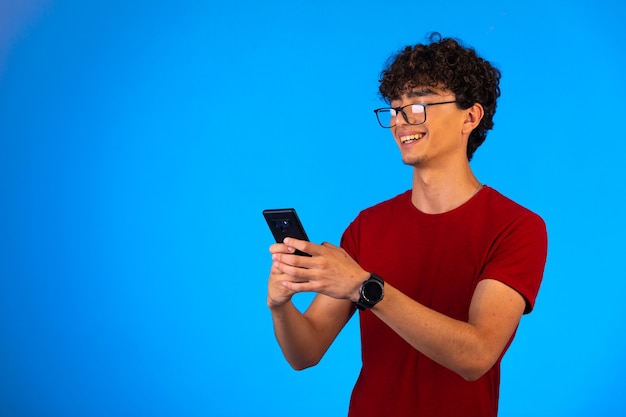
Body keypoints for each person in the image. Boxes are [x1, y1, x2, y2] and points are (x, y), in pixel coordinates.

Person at [266, 33, 547, 417]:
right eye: (395, 108)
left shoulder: (516, 227)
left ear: (470, 116)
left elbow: (476, 355)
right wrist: (280, 307)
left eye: (418, 104)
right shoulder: (368, 226)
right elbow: (306, 352)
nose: (400, 120)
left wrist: (365, 288)